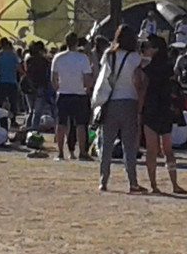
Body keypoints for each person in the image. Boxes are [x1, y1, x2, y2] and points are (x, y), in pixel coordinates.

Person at [95, 25, 146, 193]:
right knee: (129, 145)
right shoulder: (135, 57)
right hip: (130, 101)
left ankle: (103, 181)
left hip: (110, 101)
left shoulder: (109, 55)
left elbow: (103, 75)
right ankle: (132, 182)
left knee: (106, 144)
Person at [138, 34, 187, 195]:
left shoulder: (147, 70)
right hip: (166, 110)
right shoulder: (169, 68)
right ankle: (174, 184)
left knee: (151, 151)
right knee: (168, 150)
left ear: (156, 49)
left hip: (151, 110)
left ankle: (154, 185)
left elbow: (143, 90)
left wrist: (139, 111)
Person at [52, 32, 93, 161]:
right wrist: (87, 88)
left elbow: (54, 78)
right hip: (79, 94)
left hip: (63, 93)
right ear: (77, 43)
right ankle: (82, 152)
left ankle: (60, 152)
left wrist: (58, 89)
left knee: (61, 123)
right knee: (81, 124)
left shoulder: (58, 57)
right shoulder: (83, 58)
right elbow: (87, 77)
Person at [0, 38, 21, 115]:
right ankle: (13, 119)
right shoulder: (13, 55)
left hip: (0, 81)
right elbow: (18, 68)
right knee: (13, 102)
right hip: (12, 81)